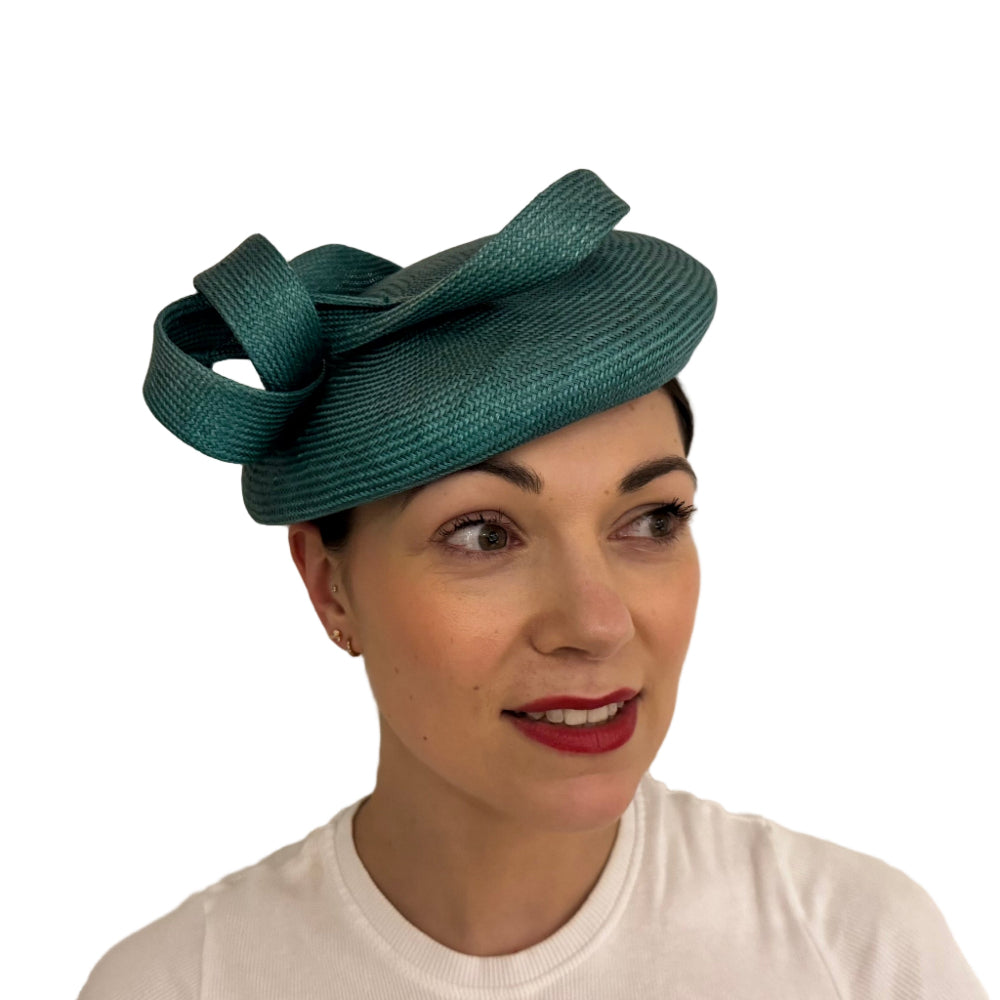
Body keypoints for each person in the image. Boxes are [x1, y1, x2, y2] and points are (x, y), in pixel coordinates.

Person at [79, 169, 987, 998]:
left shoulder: (860, 950)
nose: (597, 623)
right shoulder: (179, 983)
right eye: (484, 534)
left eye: (652, 520)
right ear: (330, 587)